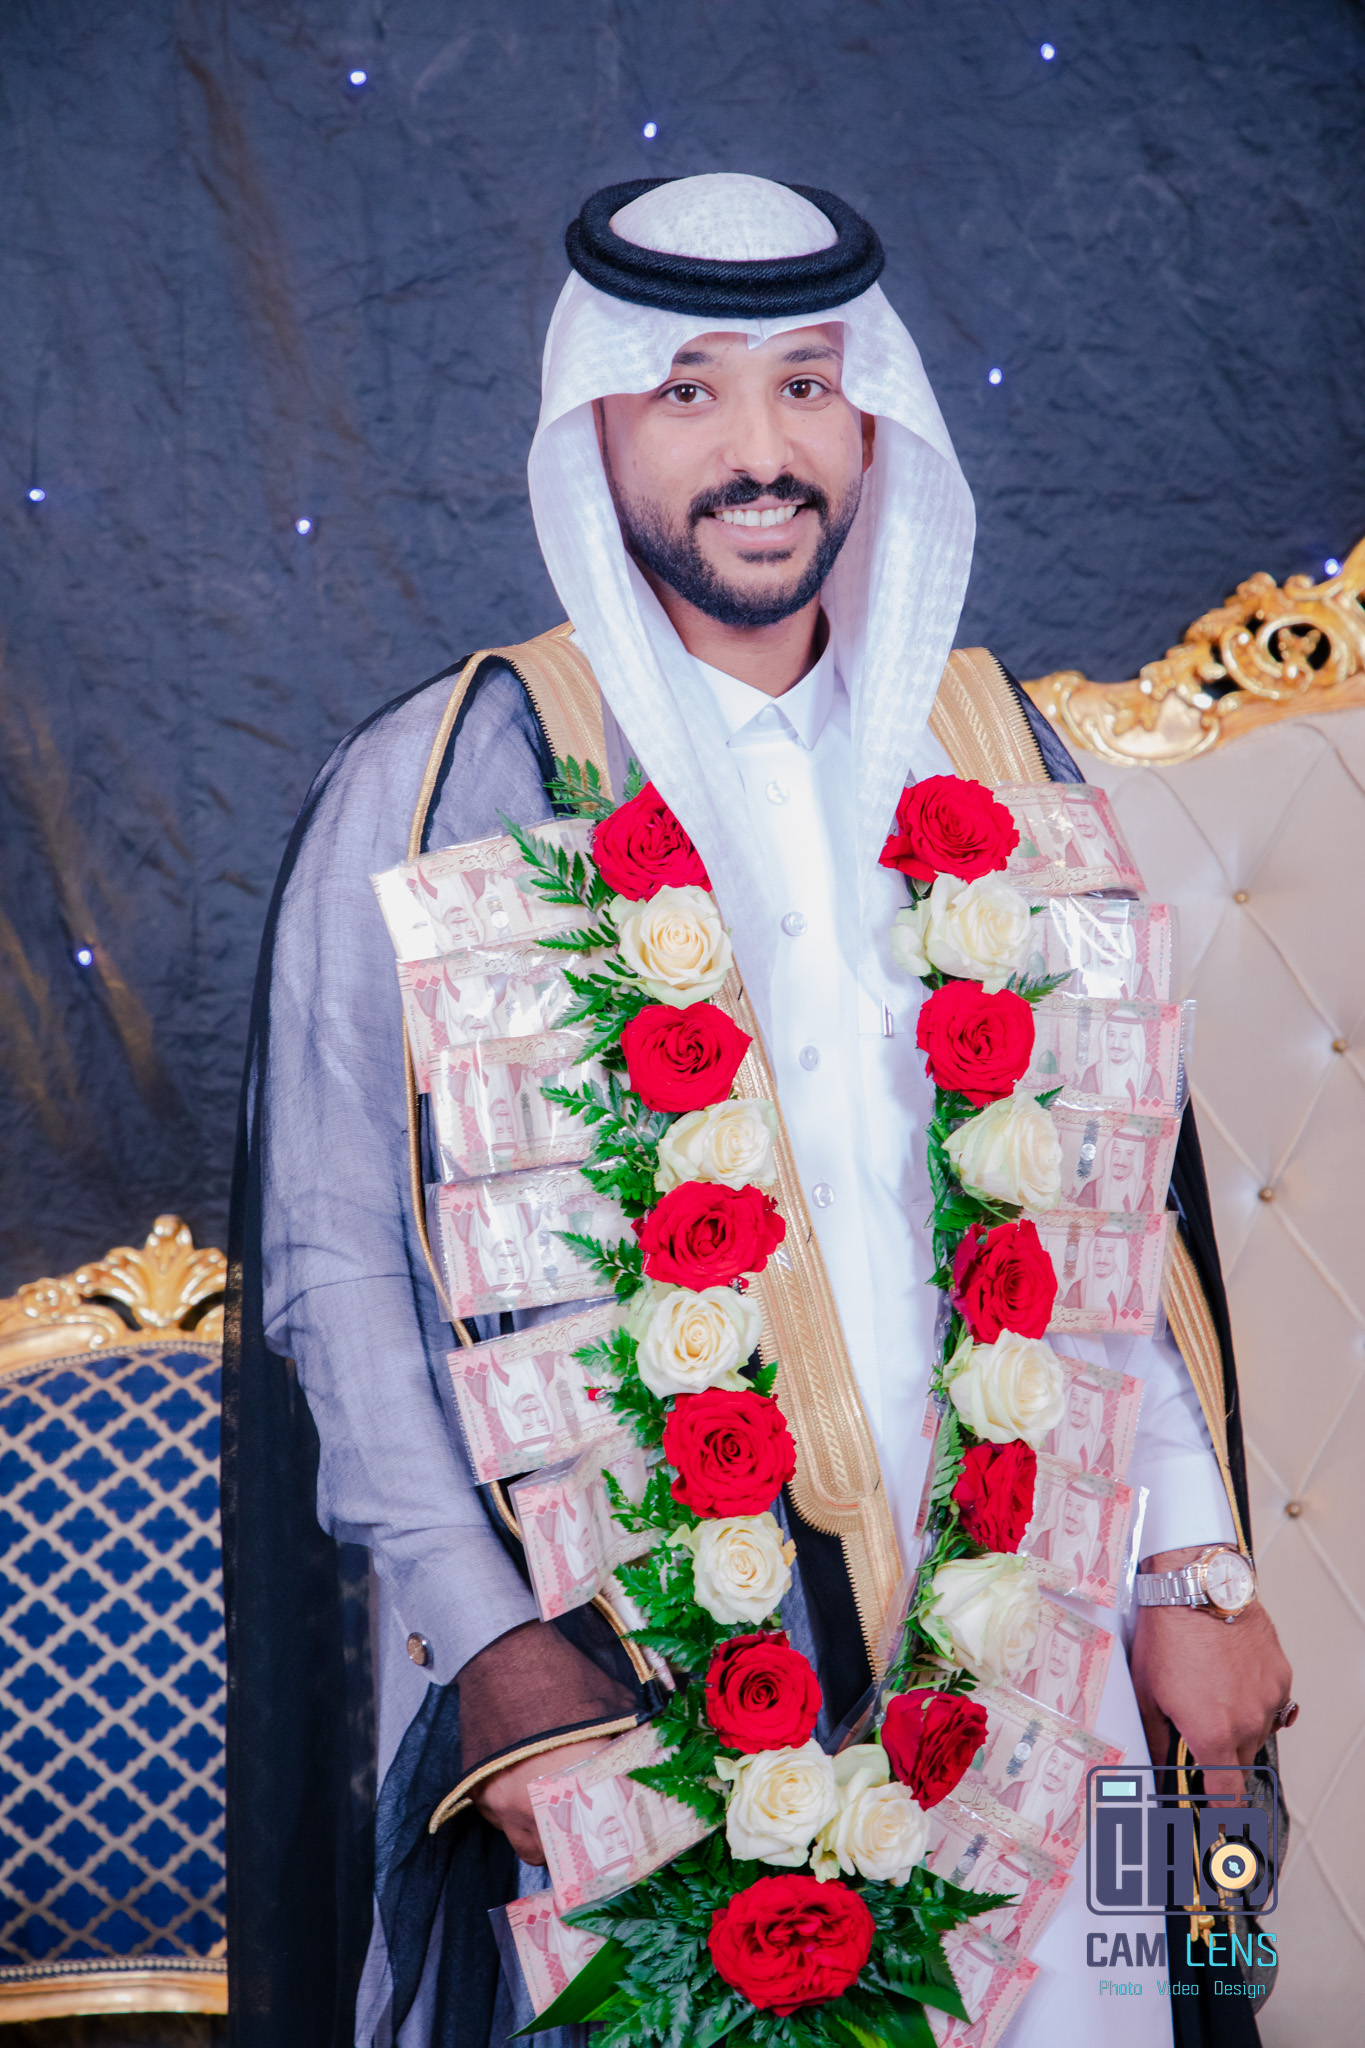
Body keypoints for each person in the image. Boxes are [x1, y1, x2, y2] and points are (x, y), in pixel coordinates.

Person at [225, 173, 1292, 2048]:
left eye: (806, 386)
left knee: (1147, 1983)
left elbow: (1107, 1213)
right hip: (631, 1690)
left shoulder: (1001, 763)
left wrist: (1189, 1566)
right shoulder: (444, 785)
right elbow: (336, 1270)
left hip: (1037, 1672)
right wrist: (491, 1643)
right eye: (689, 392)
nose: (760, 452)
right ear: (593, 426)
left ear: (872, 421)